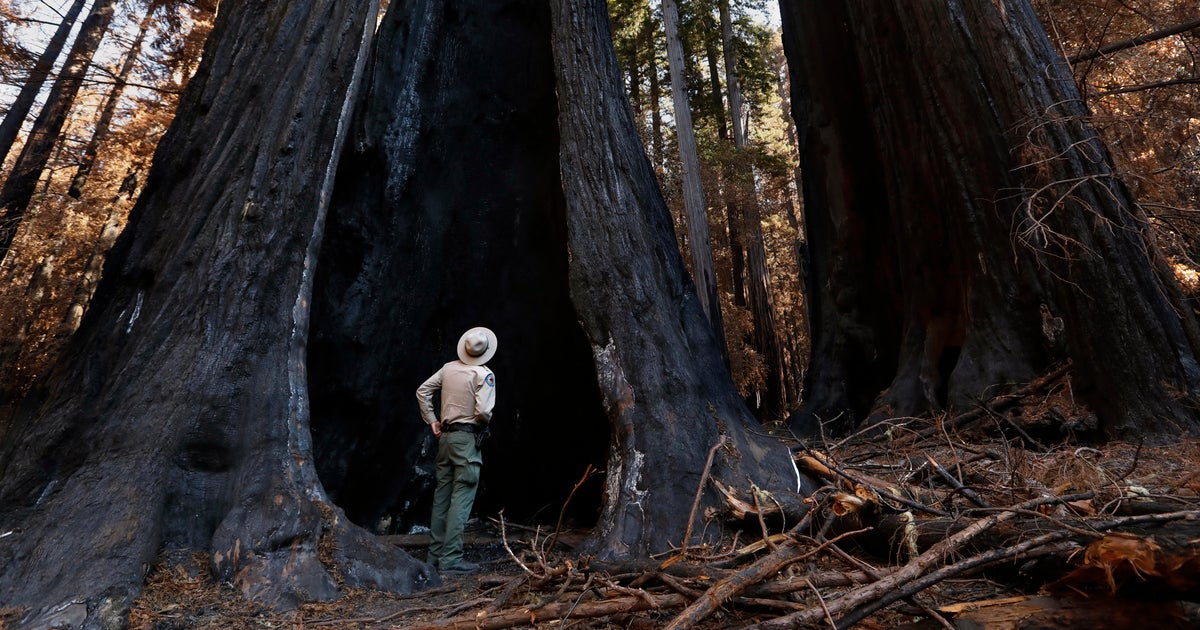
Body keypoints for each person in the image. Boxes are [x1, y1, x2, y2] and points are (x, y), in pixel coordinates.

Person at [416, 326, 497, 574]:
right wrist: (480, 422)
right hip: (466, 440)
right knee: (461, 498)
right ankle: (451, 559)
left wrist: (432, 420)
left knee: (442, 496)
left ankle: (434, 556)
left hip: (445, 439)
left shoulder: (448, 369)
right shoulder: (483, 375)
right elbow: (483, 412)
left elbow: (423, 391)